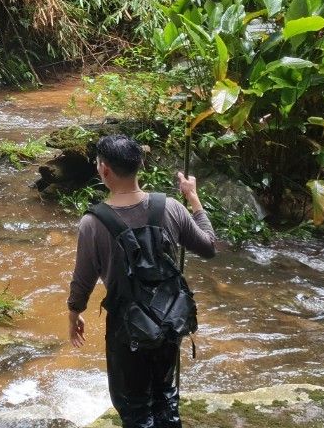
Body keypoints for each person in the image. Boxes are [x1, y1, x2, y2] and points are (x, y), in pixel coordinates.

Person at [66, 134, 217, 428]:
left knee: (134, 408)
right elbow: (209, 246)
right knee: (165, 395)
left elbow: (82, 280)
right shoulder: (171, 207)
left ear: (104, 170)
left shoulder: (93, 223)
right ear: (141, 165)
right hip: (170, 320)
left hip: (128, 329)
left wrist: (74, 314)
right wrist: (193, 198)